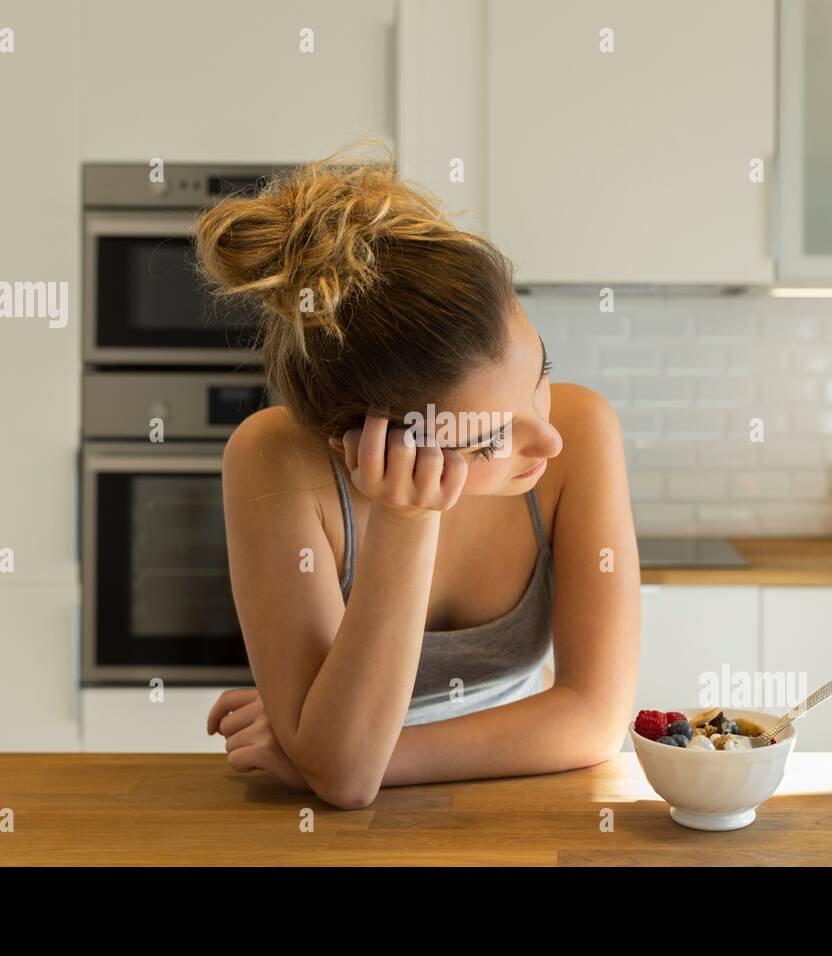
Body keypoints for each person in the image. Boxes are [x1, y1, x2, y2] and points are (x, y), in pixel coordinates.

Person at [198, 140, 639, 809]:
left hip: (519, 806)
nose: (546, 439)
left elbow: (595, 721)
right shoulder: (274, 460)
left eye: (540, 372)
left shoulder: (582, 429)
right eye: (491, 437)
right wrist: (406, 520)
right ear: (366, 446)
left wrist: (331, 749)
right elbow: (345, 782)